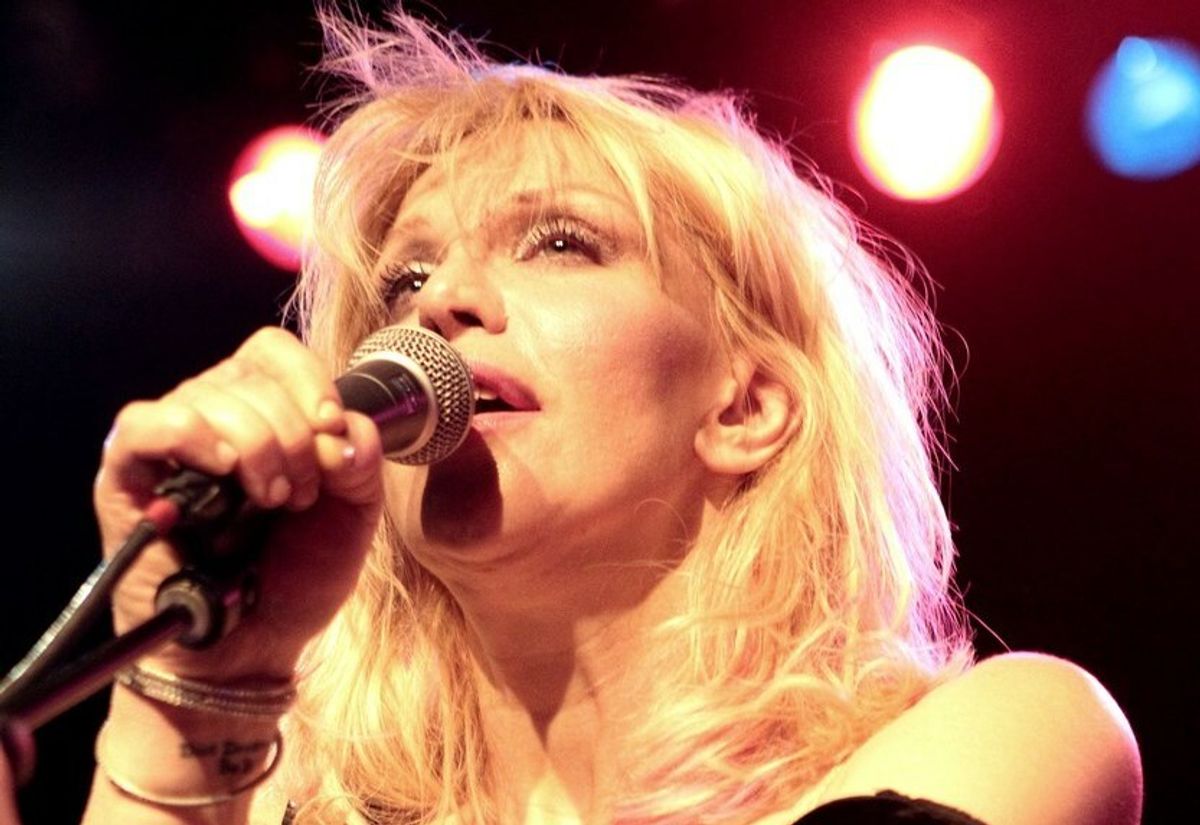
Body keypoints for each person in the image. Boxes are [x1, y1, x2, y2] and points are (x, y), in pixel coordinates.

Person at [66, 6, 1142, 824]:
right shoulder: (279, 798)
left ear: (747, 407)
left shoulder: (1009, 734)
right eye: (405, 280)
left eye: (560, 244)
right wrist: (193, 698)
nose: (441, 303)